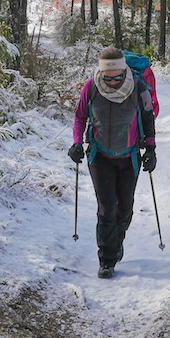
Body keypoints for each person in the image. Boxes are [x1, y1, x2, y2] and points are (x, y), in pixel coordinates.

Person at [69, 47, 157, 279]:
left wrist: (151, 149)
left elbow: (148, 118)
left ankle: (117, 243)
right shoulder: (91, 87)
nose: (112, 82)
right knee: (107, 208)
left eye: (117, 77)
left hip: (129, 157)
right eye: (107, 78)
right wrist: (77, 142)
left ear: (124, 71)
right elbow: (80, 117)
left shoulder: (138, 87)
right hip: (100, 157)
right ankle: (106, 260)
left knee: (125, 210)